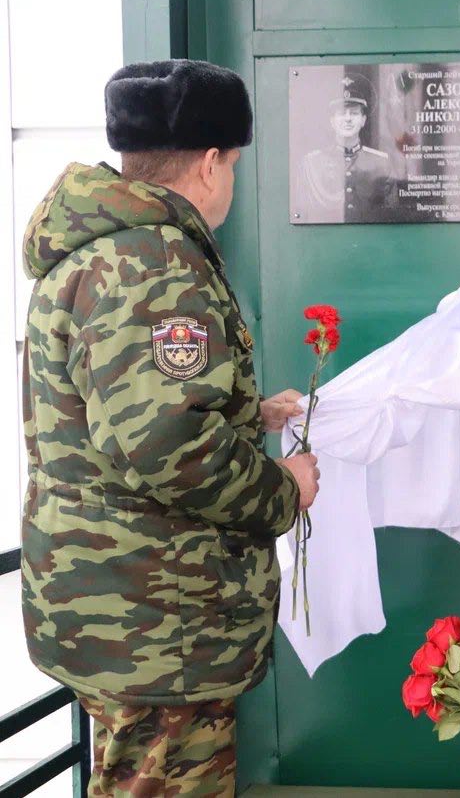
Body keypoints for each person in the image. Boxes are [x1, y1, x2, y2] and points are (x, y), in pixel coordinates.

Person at [20, 59, 321, 797]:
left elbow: (115, 415)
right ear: (210, 163)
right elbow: (170, 449)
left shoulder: (94, 252)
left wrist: (249, 413)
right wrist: (286, 490)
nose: (232, 180)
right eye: (235, 164)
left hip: (109, 604)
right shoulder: (155, 263)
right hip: (157, 622)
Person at [300, 70, 396, 221]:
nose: (348, 119)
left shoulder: (381, 163)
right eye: (342, 113)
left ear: (363, 120)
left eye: (354, 113)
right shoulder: (311, 164)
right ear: (332, 121)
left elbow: (390, 216)